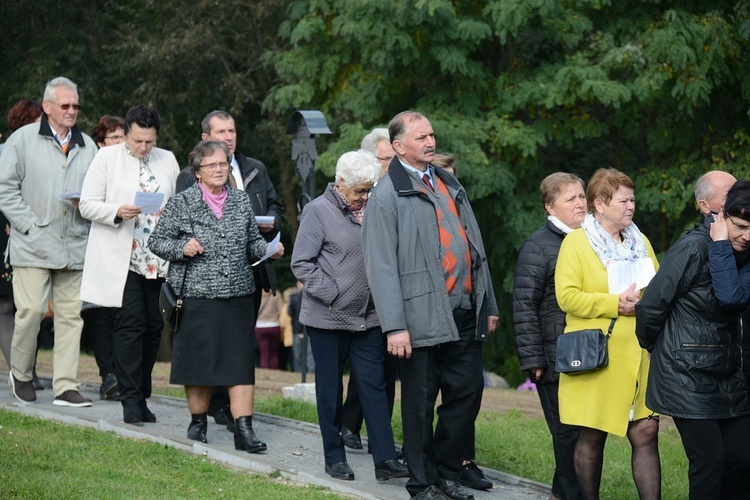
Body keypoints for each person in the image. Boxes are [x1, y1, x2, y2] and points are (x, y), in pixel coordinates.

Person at [362, 111, 499, 500]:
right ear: (399, 146)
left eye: (432, 135)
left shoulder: (447, 182)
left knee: (468, 390)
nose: (430, 142)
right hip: (416, 317)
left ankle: (443, 469)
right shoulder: (387, 195)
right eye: (420, 137)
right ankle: (422, 483)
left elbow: (475, 248)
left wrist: (486, 302)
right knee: (419, 405)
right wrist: (394, 326)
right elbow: (381, 266)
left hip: (461, 309)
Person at [149, 139, 283, 450]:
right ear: (197, 172)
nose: (219, 169)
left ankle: (244, 430)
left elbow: (252, 243)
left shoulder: (239, 200)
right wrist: (182, 248)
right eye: (211, 165)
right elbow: (157, 242)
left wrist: (269, 250)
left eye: (223, 163)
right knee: (198, 364)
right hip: (197, 297)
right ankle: (198, 423)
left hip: (237, 296)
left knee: (239, 365)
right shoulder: (181, 203)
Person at [291, 150, 408, 483]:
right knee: (330, 390)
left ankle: (385, 459)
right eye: (359, 190)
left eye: (369, 189)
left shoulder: (375, 209)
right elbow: (301, 263)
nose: (364, 196)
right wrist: (333, 293)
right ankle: (334, 456)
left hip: (368, 318)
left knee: (374, 386)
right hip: (327, 319)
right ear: (341, 183)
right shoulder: (318, 211)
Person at [637, 180, 750, 498]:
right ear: (721, 216)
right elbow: (651, 305)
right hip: (686, 374)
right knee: (710, 462)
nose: (747, 235)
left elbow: (733, 295)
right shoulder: (693, 248)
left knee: (742, 459)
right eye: (740, 226)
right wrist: (656, 348)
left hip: (731, 376)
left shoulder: (745, 252)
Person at [555, 167, 660, 500]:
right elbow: (567, 297)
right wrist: (616, 303)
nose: (631, 206)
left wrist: (648, 303)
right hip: (599, 356)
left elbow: (657, 287)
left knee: (646, 432)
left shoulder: (640, 241)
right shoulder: (577, 242)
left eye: (633, 199)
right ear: (599, 204)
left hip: (639, 354)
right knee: (591, 436)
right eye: (623, 200)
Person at [176, 110, 284, 430]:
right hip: (204, 280)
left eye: (232, 130)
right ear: (205, 138)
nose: (229, 137)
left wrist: (271, 226)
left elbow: (275, 206)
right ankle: (213, 408)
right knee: (209, 344)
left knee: (238, 344)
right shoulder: (188, 175)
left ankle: (239, 418)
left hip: (249, 272)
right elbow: (180, 224)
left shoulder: (255, 169)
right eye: (221, 131)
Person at [0, 77, 98, 407]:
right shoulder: (22, 140)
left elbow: (100, 192)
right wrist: (29, 225)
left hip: (74, 242)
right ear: (47, 107)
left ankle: (66, 387)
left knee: (71, 316)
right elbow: (4, 189)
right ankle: (22, 374)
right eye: (65, 106)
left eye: (76, 106)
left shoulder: (88, 145)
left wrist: (86, 204)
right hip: (32, 243)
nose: (72, 111)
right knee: (30, 311)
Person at [79, 106, 179, 424]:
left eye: (149, 141)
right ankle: (130, 400)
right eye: (138, 140)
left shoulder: (168, 159)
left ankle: (142, 394)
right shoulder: (107, 158)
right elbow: (86, 203)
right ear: (128, 133)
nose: (143, 147)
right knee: (130, 325)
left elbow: (177, 202)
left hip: (159, 259)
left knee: (153, 328)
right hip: (124, 258)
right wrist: (117, 211)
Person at [513, 172, 586, 500]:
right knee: (567, 432)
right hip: (554, 356)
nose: (580, 203)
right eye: (571, 199)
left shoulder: (592, 239)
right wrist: (533, 359)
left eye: (582, 196)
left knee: (584, 431)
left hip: (589, 350)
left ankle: (562, 492)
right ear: (550, 208)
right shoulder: (538, 246)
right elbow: (524, 305)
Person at [0, 99, 43, 385]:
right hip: (9, 233)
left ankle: (25, 369)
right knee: (8, 305)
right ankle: (23, 371)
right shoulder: (12, 152)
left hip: (26, 235)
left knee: (26, 305)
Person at [83, 114, 126, 401]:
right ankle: (107, 375)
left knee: (122, 315)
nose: (120, 143)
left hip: (123, 249)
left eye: (124, 137)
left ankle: (123, 375)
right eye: (114, 138)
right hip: (93, 249)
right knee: (100, 315)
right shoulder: (93, 166)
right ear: (101, 143)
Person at [255, 289, 283, 369]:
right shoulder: (276, 294)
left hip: (260, 325)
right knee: (274, 353)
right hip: (274, 324)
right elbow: (280, 311)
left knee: (264, 353)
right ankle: (274, 370)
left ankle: (265, 371)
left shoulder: (258, 293)